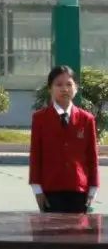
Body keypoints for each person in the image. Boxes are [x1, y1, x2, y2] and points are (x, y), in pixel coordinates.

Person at [29, 65, 100, 214]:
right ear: (50, 88)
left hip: (79, 190)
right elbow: (36, 155)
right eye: (58, 84)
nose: (64, 89)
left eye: (69, 84)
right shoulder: (40, 118)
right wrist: (37, 189)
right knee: (49, 235)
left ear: (76, 88)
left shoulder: (87, 119)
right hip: (50, 190)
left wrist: (93, 188)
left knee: (79, 235)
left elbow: (92, 156)